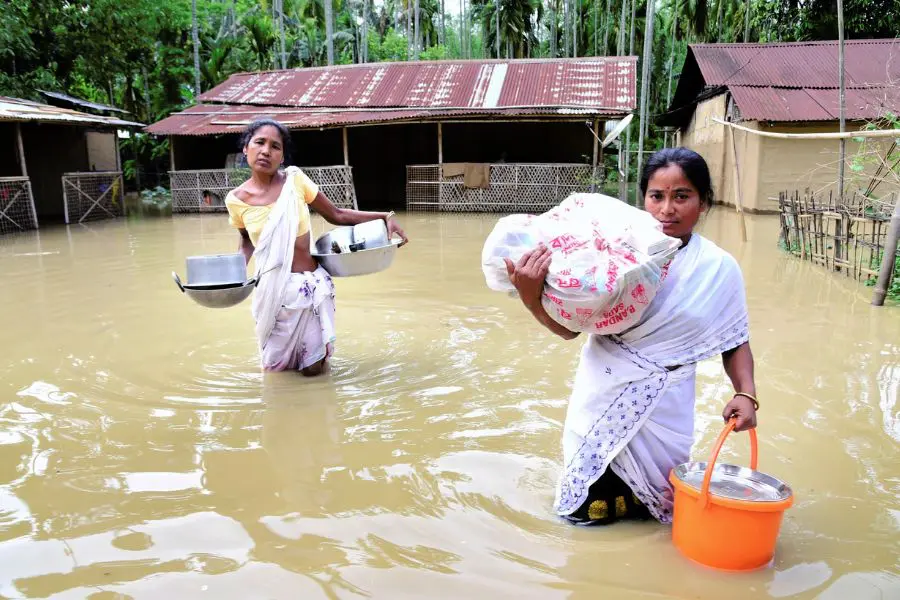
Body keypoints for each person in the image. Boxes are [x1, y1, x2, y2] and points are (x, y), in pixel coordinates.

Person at [504, 147, 757, 525]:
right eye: (657, 196)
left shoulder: (718, 268)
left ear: (704, 202)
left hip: (668, 407)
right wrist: (531, 297)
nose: (667, 209)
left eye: (681, 196)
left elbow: (734, 338)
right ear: (643, 200)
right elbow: (569, 330)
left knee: (657, 516)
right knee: (585, 514)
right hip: (603, 396)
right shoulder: (607, 255)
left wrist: (745, 392)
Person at [225, 119, 408, 376]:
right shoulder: (236, 200)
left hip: (311, 289)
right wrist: (234, 272)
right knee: (275, 371)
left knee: (314, 369)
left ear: (282, 156)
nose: (266, 150)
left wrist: (384, 217)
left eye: (275, 146)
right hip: (273, 292)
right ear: (246, 148)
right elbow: (246, 239)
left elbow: (336, 214)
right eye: (259, 142)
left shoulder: (295, 182)